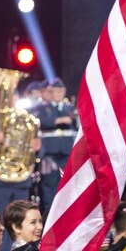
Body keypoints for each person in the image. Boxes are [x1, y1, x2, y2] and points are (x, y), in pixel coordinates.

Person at [36, 78, 78, 215]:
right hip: (50, 153)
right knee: (49, 186)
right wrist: (59, 120)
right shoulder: (42, 107)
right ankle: (48, 216)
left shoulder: (70, 108)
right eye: (55, 91)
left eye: (61, 91)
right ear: (50, 92)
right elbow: (41, 121)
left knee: (68, 185)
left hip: (67, 152)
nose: (58, 94)